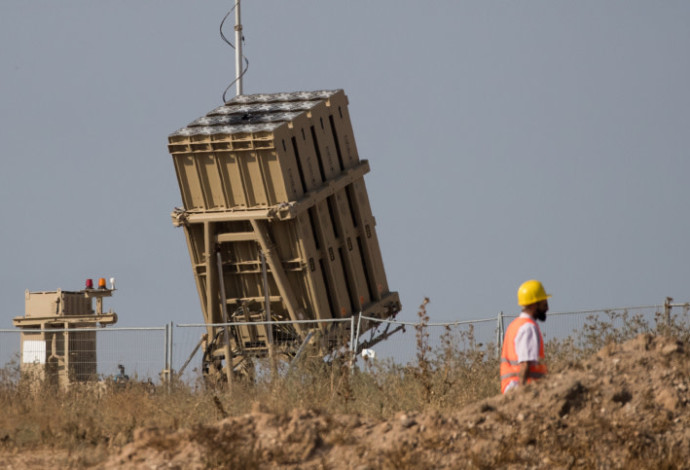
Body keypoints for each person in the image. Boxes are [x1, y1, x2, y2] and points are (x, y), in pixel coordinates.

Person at [500, 279, 550, 394]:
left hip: (512, 388)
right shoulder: (528, 327)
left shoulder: (515, 325)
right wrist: (521, 397)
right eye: (544, 304)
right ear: (533, 304)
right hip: (521, 389)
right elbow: (525, 364)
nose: (547, 308)